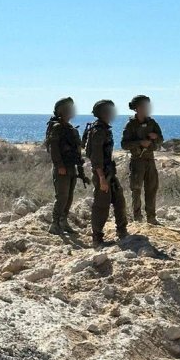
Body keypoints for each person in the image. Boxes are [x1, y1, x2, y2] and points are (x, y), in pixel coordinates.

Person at [85, 100, 128, 248]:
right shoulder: (98, 131)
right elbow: (95, 157)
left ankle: (122, 231)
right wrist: (102, 178)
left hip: (109, 173)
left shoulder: (103, 128)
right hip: (102, 174)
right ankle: (97, 238)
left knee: (119, 200)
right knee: (101, 205)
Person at [45, 97, 89, 235]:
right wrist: (59, 165)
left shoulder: (70, 129)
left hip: (71, 167)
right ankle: (55, 223)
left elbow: (77, 149)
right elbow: (54, 148)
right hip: (62, 168)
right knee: (62, 196)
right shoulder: (57, 128)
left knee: (69, 197)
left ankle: (63, 222)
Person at [121, 95, 164, 225]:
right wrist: (140, 142)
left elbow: (161, 139)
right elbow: (124, 144)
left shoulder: (152, 123)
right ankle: (137, 218)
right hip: (137, 161)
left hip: (150, 160)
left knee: (151, 188)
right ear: (137, 108)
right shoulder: (130, 125)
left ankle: (151, 217)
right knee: (136, 189)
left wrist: (155, 136)